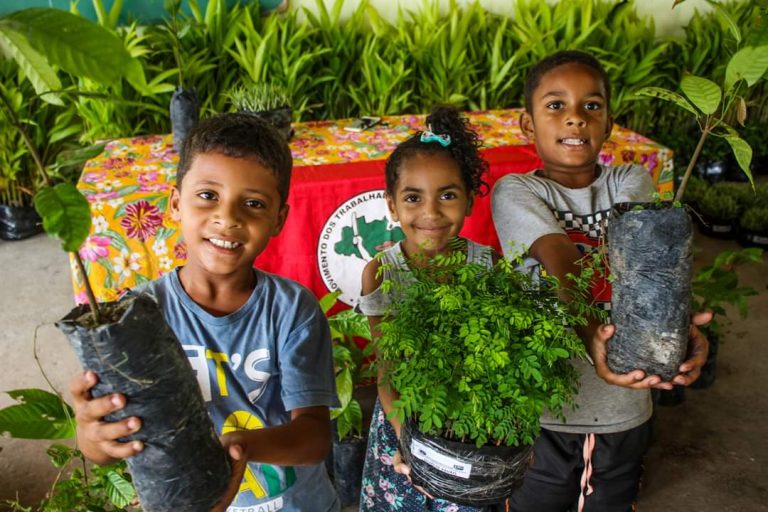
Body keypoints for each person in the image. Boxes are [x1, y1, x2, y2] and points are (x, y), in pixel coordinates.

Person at [70, 113, 340, 512]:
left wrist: (237, 448)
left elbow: (314, 437)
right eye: (208, 195)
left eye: (253, 203)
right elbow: (108, 446)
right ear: (175, 204)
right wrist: (93, 436)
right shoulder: (135, 317)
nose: (228, 218)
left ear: (278, 219)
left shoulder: (292, 309)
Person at [491, 50, 710, 512]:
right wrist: (591, 333)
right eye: (555, 106)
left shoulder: (631, 181)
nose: (575, 118)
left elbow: (653, 273)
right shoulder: (518, 190)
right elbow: (560, 259)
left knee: (612, 500)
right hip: (546, 408)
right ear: (527, 125)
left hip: (625, 406)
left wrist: (686, 334)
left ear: (609, 122)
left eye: (591, 106)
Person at [357, 106, 497, 511]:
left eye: (448, 195)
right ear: (392, 205)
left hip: (468, 429)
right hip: (402, 424)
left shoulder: (489, 268)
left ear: (470, 201)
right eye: (413, 198)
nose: (431, 213)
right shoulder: (381, 273)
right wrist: (410, 444)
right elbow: (388, 368)